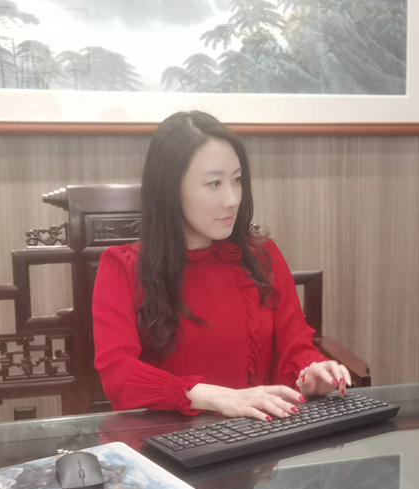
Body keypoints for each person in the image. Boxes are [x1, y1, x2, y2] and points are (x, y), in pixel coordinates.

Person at [92, 111, 351, 421]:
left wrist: (311, 373)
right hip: (171, 439)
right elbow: (119, 376)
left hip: (260, 435)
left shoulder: (262, 255)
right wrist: (219, 397)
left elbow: (295, 346)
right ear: (169, 189)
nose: (232, 199)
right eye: (214, 183)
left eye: (237, 180)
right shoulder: (123, 267)